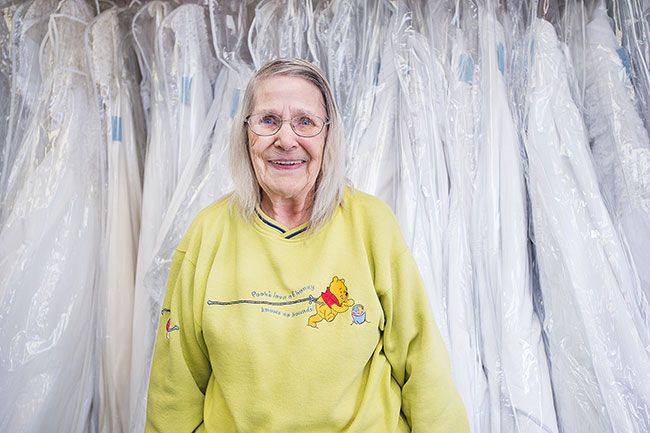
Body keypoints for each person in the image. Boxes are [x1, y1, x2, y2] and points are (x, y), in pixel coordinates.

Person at [146, 58, 469, 433]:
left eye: (305, 122)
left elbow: (423, 362)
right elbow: (174, 386)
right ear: (245, 133)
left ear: (328, 135)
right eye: (268, 121)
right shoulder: (207, 233)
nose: (286, 139)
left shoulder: (371, 225)